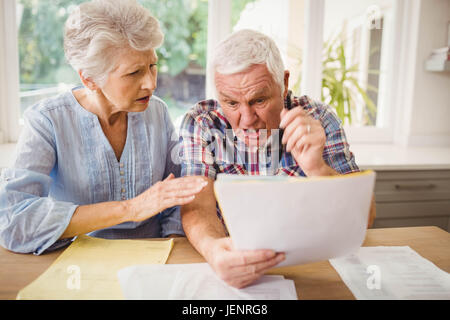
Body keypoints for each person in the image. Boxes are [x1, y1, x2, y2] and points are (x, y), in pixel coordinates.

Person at [0, 0, 207, 255]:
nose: (150, 84)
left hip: (155, 257)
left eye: (152, 66)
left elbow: (178, 198)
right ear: (89, 78)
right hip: (78, 263)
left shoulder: (158, 112)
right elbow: (14, 221)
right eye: (134, 73)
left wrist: (170, 248)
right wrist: (130, 209)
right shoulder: (47, 122)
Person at [179, 29, 376, 288]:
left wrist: (317, 167)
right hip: (234, 266)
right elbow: (198, 206)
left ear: (283, 82)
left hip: (311, 266)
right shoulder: (202, 122)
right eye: (232, 103)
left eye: (258, 100)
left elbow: (365, 217)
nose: (247, 120)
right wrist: (214, 249)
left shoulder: (318, 118)